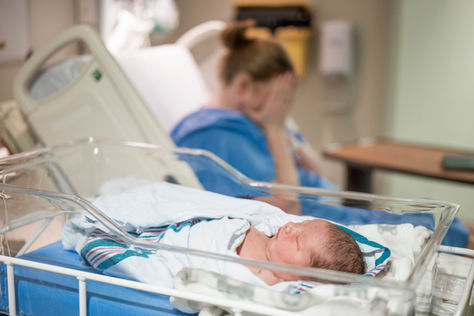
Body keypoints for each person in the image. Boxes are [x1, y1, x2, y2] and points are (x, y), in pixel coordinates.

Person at [171, 20, 336, 193]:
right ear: (244, 85)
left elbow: (316, 173)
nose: (281, 106)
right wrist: (275, 129)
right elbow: (287, 205)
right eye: (278, 96)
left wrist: (282, 132)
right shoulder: (212, 136)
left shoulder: (257, 121)